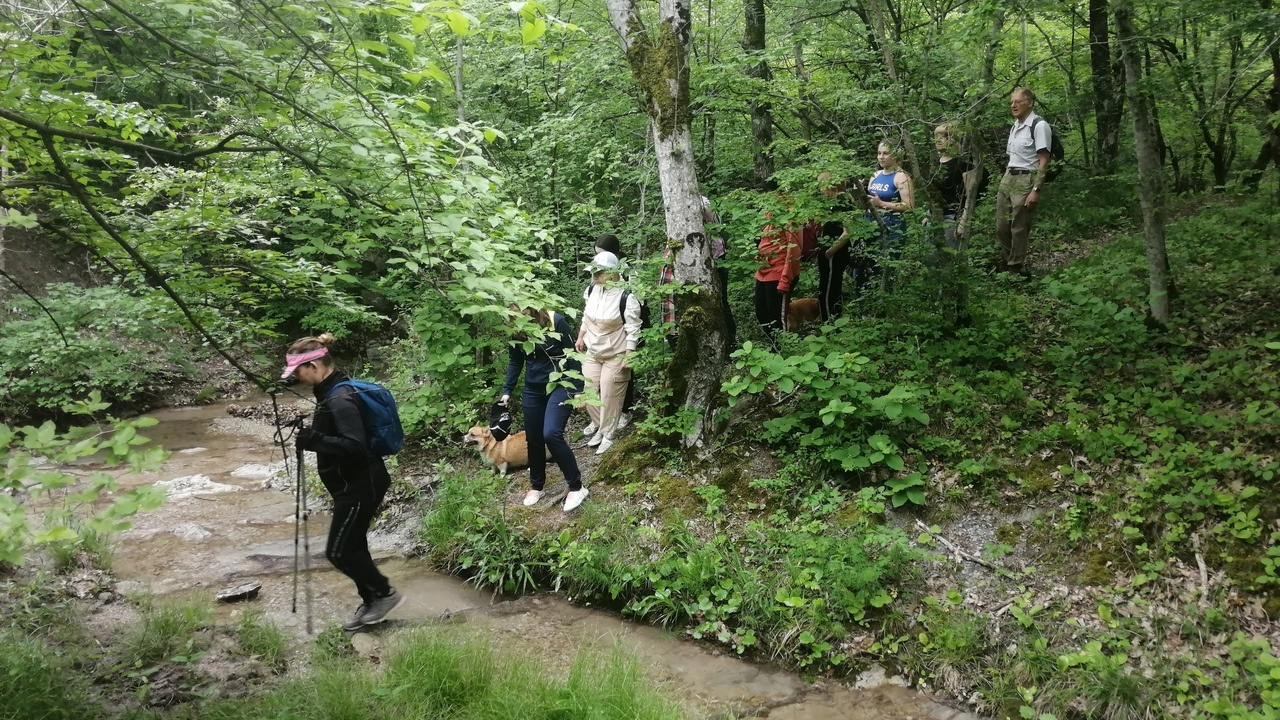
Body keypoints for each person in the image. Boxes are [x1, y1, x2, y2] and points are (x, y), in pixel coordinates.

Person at [281, 333, 402, 631]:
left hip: (359, 486)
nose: (296, 378)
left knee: (339, 551)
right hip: (351, 484)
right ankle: (371, 601)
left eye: (298, 371)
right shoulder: (329, 391)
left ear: (314, 366)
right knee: (354, 546)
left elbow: (356, 446)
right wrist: (315, 436)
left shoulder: (340, 399)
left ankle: (385, 594)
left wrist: (314, 440)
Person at [500, 307, 587, 511]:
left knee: (551, 434)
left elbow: (572, 356)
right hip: (533, 388)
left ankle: (577, 487)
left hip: (560, 384)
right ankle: (537, 485)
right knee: (533, 437)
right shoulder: (516, 328)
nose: (518, 319)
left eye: (523, 314)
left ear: (532, 310)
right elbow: (515, 360)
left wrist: (579, 390)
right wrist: (507, 390)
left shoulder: (556, 321)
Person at [576, 251, 642, 455]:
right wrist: (580, 336)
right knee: (589, 391)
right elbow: (586, 317)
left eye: (599, 273)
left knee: (609, 393)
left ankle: (608, 435)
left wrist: (629, 353)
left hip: (616, 352)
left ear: (613, 273)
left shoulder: (626, 296)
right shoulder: (591, 290)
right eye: (594, 272)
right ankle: (601, 426)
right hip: (593, 349)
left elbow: (633, 327)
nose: (595, 276)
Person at [658, 196, 737, 347]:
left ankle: (730, 341)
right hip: (694, 259)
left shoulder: (700, 203)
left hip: (713, 258)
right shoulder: (677, 205)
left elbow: (715, 227)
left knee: (718, 301)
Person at [997, 87, 1052, 277]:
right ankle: (1009, 260)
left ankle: (1015, 268)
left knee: (1018, 225)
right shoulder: (1015, 126)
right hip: (1008, 176)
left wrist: (1036, 189)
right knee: (1001, 225)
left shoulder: (1039, 125)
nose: (1013, 105)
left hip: (1026, 177)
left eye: (1018, 101)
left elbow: (1044, 160)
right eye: (1011, 102)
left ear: (1030, 102)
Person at [853, 141, 915, 295]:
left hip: (892, 226)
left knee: (883, 268)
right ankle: (864, 300)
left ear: (896, 155)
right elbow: (867, 204)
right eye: (879, 153)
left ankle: (883, 301)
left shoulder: (901, 177)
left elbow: (909, 206)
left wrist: (881, 203)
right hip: (869, 224)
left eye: (886, 153)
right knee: (863, 265)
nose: (881, 157)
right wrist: (859, 193)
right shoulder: (875, 175)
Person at [753, 204, 802, 340]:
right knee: (761, 313)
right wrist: (759, 255)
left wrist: (785, 279)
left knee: (777, 317)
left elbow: (794, 251)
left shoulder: (790, 214)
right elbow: (764, 241)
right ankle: (774, 345)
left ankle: (783, 347)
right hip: (763, 273)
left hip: (779, 273)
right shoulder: (767, 212)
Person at [815, 173, 854, 320]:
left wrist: (830, 251)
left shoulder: (843, 202)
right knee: (825, 288)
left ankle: (830, 322)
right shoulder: (832, 203)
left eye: (821, 186)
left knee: (829, 290)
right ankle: (828, 320)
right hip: (826, 253)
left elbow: (848, 231)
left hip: (835, 255)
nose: (820, 190)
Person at [931, 124, 975, 255]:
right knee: (930, 257)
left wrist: (963, 222)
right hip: (934, 216)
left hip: (952, 218)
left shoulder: (963, 165)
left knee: (948, 256)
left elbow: (969, 197)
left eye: (943, 136)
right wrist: (927, 214)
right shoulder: (935, 164)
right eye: (936, 136)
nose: (938, 140)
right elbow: (933, 192)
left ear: (953, 139)